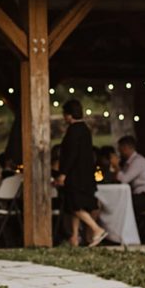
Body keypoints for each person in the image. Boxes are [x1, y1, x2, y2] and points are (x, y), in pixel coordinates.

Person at [56, 99, 106, 247]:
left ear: (69, 114)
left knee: (74, 206)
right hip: (85, 174)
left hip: (75, 174)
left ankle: (97, 229)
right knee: (77, 207)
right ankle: (74, 237)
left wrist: (63, 173)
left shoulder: (73, 130)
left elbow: (71, 154)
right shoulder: (85, 129)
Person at [115, 135, 145, 230]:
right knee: (123, 202)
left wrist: (116, 166)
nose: (119, 152)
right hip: (143, 196)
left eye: (120, 149)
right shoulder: (129, 163)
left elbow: (124, 180)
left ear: (126, 148)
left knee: (124, 203)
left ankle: (129, 231)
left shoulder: (138, 161)